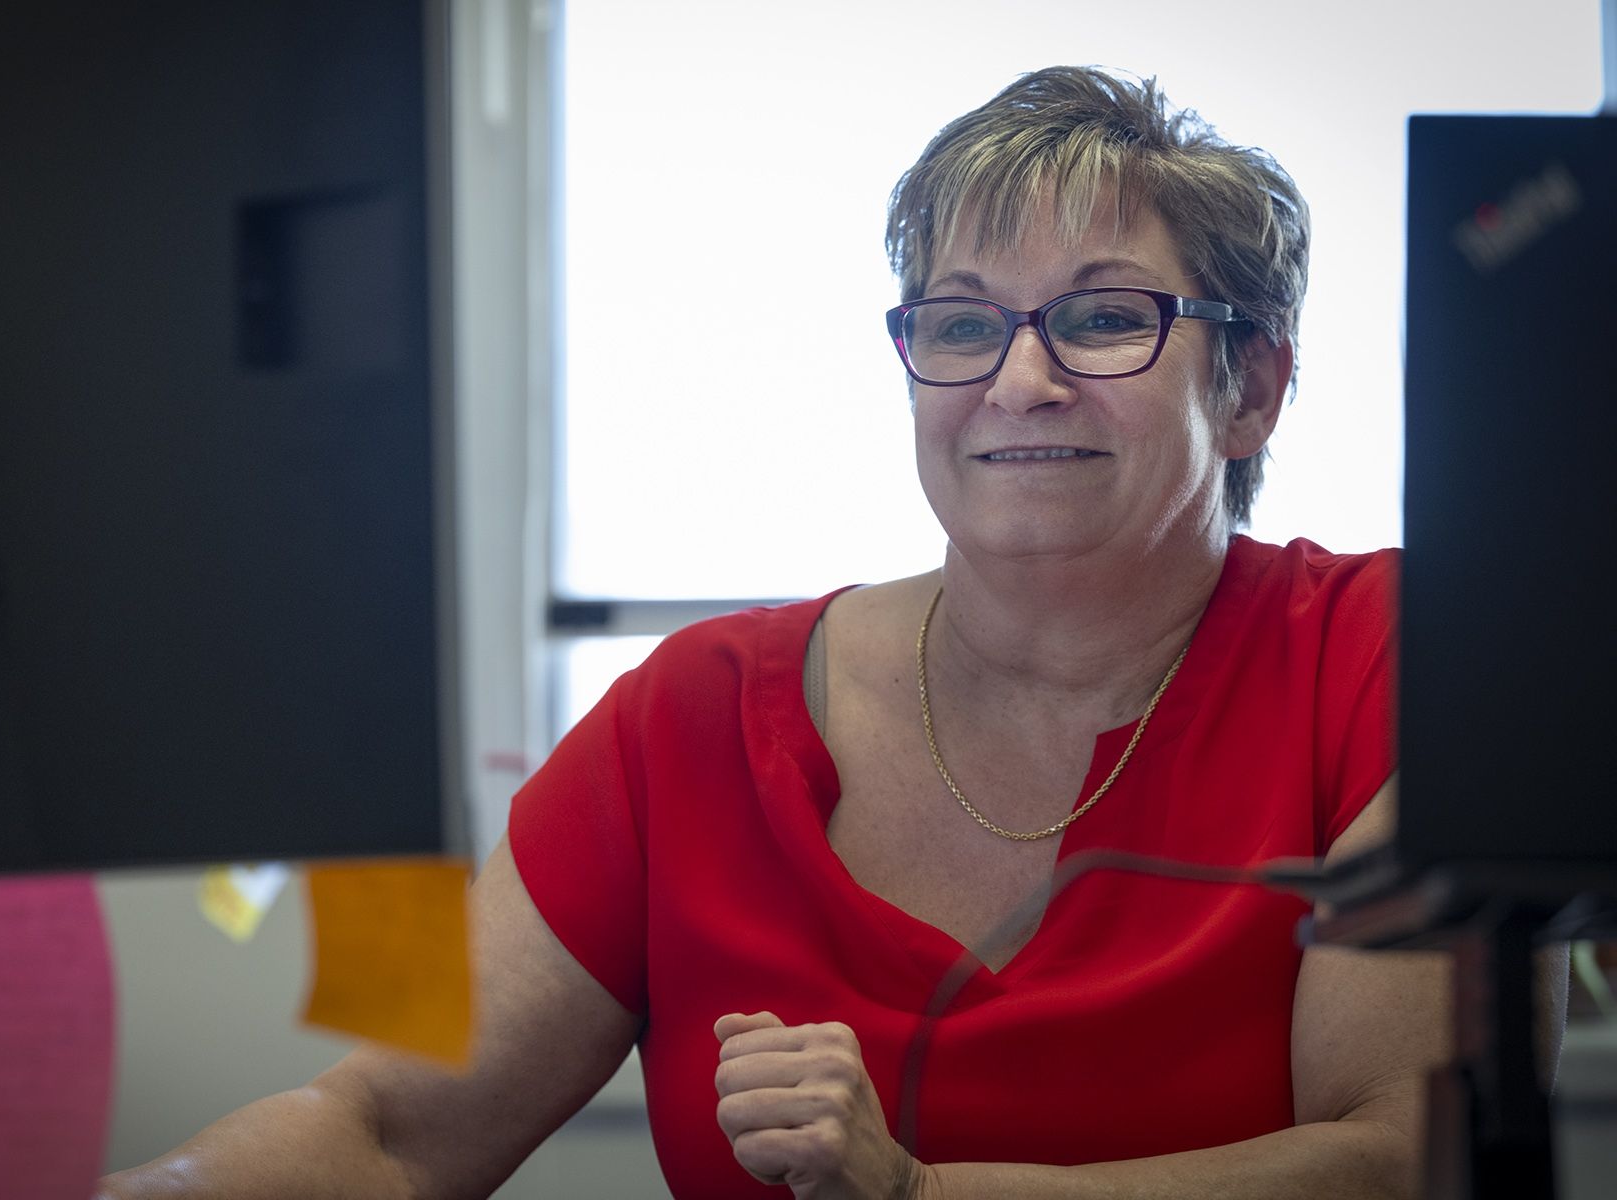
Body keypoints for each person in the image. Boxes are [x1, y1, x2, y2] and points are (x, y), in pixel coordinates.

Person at [99, 66, 1565, 1200]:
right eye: (961, 322)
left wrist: (921, 1194)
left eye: (1105, 318)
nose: (1021, 381)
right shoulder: (691, 716)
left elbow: (1402, 1163)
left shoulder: (1402, 657)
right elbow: (387, 1130)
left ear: (1250, 389)